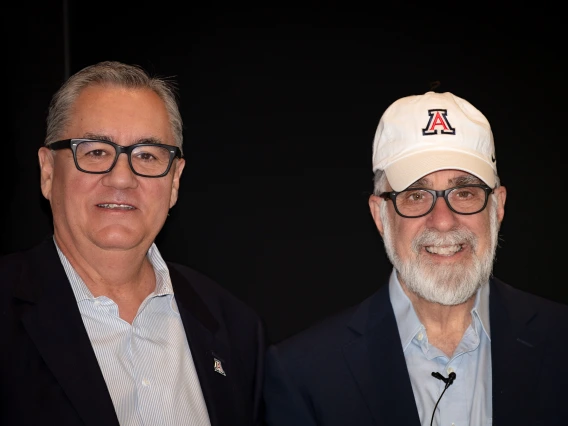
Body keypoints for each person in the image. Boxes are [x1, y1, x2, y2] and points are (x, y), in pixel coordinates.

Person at [263, 91, 568, 425]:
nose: (443, 220)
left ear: (498, 207)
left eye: (464, 192)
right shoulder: (305, 374)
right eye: (416, 195)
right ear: (381, 216)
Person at [1, 61, 265, 426]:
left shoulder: (234, 329)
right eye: (95, 151)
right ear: (48, 172)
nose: (122, 178)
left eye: (146, 155)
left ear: (174, 181)